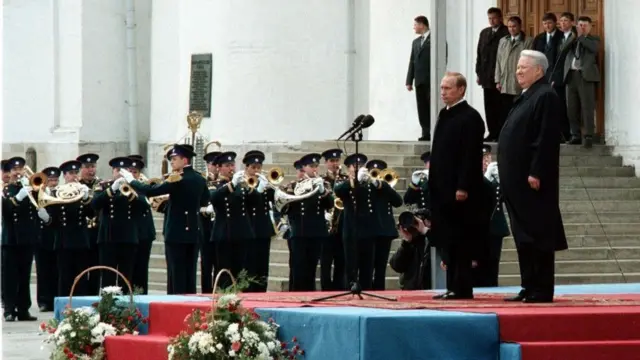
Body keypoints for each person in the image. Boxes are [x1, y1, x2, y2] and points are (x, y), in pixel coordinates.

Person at [498, 50, 568, 303]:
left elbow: (546, 138)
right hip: (515, 182)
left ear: (539, 70)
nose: (518, 71)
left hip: (532, 182)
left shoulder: (546, 96)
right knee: (523, 235)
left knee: (538, 234)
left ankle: (541, 288)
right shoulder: (527, 97)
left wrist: (536, 171)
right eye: (517, 67)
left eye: (523, 67)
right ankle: (528, 285)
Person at [120, 144, 210, 294]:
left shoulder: (177, 179)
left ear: (185, 159)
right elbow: (205, 200)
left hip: (176, 232)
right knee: (190, 272)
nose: (172, 162)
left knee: (176, 274)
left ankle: (176, 305)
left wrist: (131, 180)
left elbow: (150, 191)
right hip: (194, 231)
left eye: (175, 159)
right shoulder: (199, 178)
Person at [429, 72, 486, 300]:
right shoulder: (445, 114)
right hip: (442, 188)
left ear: (461, 90)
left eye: (448, 88)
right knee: (447, 239)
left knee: (460, 239)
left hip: (459, 190)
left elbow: (469, 156)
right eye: (442, 88)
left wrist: (462, 185)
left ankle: (462, 287)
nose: (443, 92)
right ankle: (451, 285)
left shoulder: (470, 117)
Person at [280, 153, 334, 291]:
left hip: (317, 231)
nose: (314, 169)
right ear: (304, 168)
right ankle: (297, 295)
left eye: (316, 166)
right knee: (298, 267)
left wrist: (322, 191)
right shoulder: (292, 185)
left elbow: (329, 204)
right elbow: (284, 207)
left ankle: (310, 295)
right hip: (299, 231)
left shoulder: (324, 184)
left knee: (312, 267)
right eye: (311, 166)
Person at [91, 157, 140, 291]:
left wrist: (132, 191)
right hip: (108, 236)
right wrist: (111, 190)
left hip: (128, 236)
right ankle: (108, 305)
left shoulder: (136, 186)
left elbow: (143, 206)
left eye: (124, 170)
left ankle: (127, 306)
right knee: (108, 275)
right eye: (118, 170)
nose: (120, 173)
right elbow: (94, 204)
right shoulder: (103, 186)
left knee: (126, 275)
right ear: (113, 171)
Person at [366, 159, 403, 290]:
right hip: (369, 230)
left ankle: (380, 290)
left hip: (385, 231)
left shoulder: (387, 188)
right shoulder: (367, 188)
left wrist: (384, 186)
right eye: (374, 173)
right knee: (368, 266)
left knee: (381, 267)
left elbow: (398, 202)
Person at [564, 16, 600, 149]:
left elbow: (594, 49)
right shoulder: (571, 38)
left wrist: (581, 37)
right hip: (571, 75)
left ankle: (588, 135)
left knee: (587, 107)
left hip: (585, 76)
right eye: (580, 25)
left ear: (590, 26)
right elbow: (563, 49)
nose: (582, 27)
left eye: (585, 25)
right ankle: (575, 135)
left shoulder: (594, 39)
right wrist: (574, 37)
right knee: (571, 108)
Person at [243, 150, 276, 292]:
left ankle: (262, 291)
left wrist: (270, 187)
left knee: (262, 265)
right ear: (247, 168)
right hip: (247, 229)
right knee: (249, 265)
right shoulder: (242, 183)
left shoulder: (265, 185)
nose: (256, 171)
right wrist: (259, 188)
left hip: (263, 229)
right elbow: (248, 201)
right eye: (253, 168)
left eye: (259, 168)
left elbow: (274, 202)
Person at [476, 7, 509, 141]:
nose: (492, 21)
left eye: (494, 18)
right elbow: (479, 53)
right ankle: (492, 132)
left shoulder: (506, 32)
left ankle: (502, 133)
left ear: (500, 18)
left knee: (501, 106)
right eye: (489, 18)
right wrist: (478, 72)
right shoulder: (484, 33)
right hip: (486, 76)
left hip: (500, 76)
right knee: (489, 106)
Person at [127, 156, 156, 294]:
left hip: (144, 232)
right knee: (128, 268)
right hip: (128, 232)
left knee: (142, 268)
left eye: (135, 172)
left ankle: (142, 295)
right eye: (130, 171)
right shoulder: (121, 186)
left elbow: (148, 202)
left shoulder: (143, 186)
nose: (133, 174)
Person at [320, 149, 348, 290]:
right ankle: (325, 290)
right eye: (331, 161)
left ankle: (339, 288)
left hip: (342, 225)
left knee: (341, 262)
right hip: (326, 226)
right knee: (325, 262)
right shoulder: (321, 180)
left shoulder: (345, 179)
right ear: (326, 163)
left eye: (337, 161)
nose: (335, 164)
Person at [35, 166, 61, 311]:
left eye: (55, 179)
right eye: (50, 180)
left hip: (56, 235)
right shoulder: (37, 193)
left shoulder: (61, 193)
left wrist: (49, 219)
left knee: (57, 270)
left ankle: (55, 299)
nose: (53, 182)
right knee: (43, 271)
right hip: (41, 237)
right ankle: (44, 301)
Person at [406, 15, 432, 141]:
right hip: (419, 80)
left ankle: (434, 131)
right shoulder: (415, 42)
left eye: (415, 24)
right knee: (422, 108)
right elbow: (412, 62)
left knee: (432, 106)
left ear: (422, 25)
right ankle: (425, 132)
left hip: (431, 80)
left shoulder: (436, 39)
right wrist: (409, 81)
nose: (414, 27)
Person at [390, 214, 431, 290]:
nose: (415, 226)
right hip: (411, 289)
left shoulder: (431, 242)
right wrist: (406, 242)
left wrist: (426, 232)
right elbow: (396, 266)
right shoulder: (410, 244)